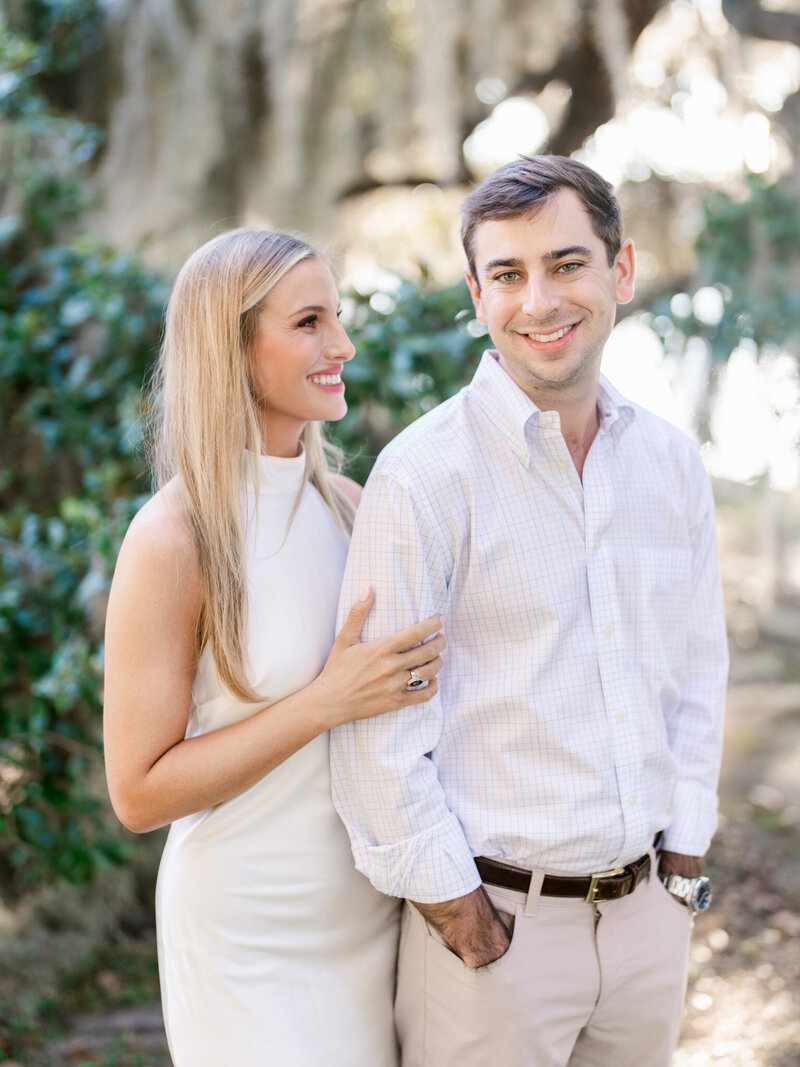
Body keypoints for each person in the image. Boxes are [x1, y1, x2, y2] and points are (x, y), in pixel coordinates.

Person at [329, 155, 729, 1067]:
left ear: (620, 270)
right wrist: (460, 912)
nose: (539, 300)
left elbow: (698, 666)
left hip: (647, 922)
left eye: (567, 264)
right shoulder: (424, 476)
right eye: (508, 274)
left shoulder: (670, 464)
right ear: (477, 295)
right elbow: (376, 729)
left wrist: (686, 853)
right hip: (496, 933)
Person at [102, 228, 446, 1067]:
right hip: (246, 940)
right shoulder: (174, 537)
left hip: (371, 923)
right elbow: (138, 793)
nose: (343, 344)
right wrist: (325, 700)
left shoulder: (356, 510)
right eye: (309, 322)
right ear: (233, 344)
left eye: (338, 316)